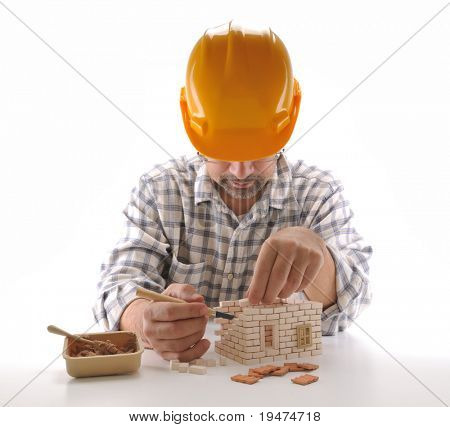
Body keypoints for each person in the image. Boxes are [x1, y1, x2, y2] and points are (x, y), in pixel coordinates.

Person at [93, 21, 373, 362]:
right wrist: (143, 320)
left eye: (258, 150)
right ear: (191, 121)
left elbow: (352, 299)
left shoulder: (318, 194)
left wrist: (320, 257)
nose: (241, 171)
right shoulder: (160, 191)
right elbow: (117, 286)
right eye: (224, 150)